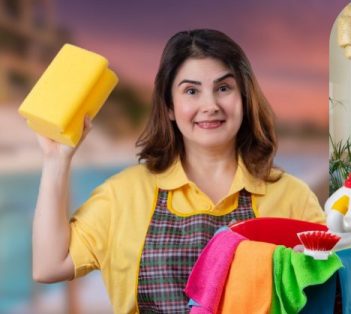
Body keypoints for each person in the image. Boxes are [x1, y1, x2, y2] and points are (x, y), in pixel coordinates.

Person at [31, 29, 325, 313]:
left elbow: (330, 290)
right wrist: (56, 161)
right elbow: (49, 266)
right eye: (191, 91)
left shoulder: (292, 197)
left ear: (245, 99)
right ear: (169, 107)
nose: (209, 105)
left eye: (223, 88)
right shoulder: (122, 195)